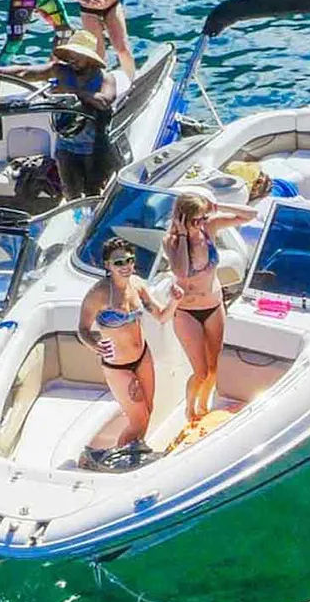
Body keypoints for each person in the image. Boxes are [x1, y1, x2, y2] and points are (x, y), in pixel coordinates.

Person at [77, 236, 177, 466]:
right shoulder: (98, 294)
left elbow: (161, 316)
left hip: (143, 357)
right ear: (107, 265)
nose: (126, 266)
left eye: (129, 260)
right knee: (138, 419)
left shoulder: (138, 284)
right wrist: (94, 344)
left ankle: (131, 456)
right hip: (118, 367)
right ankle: (109, 459)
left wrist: (174, 301)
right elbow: (82, 329)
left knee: (148, 411)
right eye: (119, 262)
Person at [0, 32, 117, 198]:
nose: (72, 60)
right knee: (70, 191)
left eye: (78, 56)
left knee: (94, 192)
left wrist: (71, 91)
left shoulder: (105, 78)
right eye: (70, 55)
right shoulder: (60, 71)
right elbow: (25, 72)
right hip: (65, 145)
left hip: (94, 147)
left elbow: (104, 101)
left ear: (90, 58)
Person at [161, 192, 257, 422]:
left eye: (203, 217)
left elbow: (251, 215)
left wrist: (217, 205)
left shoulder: (209, 228)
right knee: (201, 371)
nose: (201, 223)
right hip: (187, 312)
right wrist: (183, 234)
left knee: (215, 368)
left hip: (214, 305)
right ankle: (190, 408)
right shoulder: (171, 242)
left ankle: (204, 405)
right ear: (182, 219)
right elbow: (182, 272)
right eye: (196, 220)